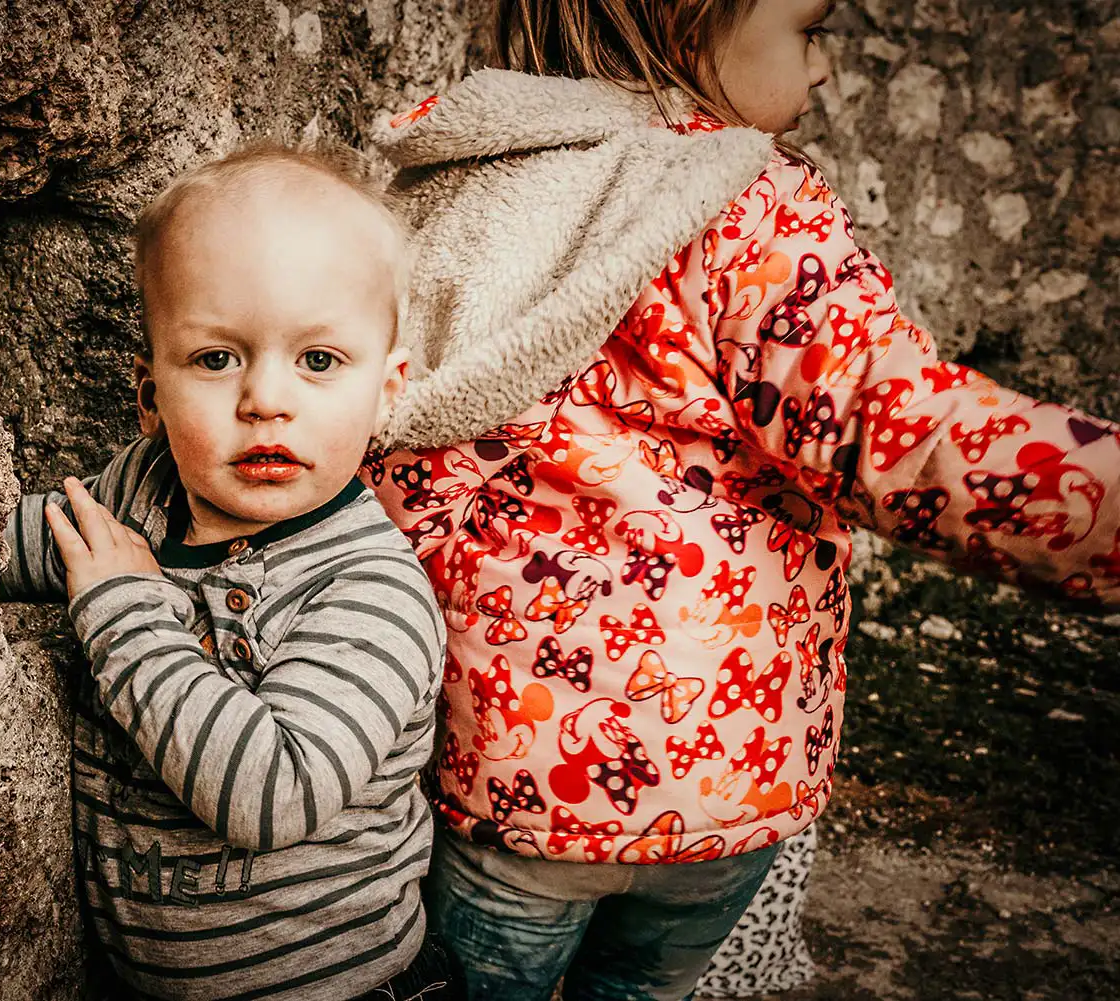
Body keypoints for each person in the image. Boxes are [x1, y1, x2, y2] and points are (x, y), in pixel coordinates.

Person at [361, 2, 1120, 999]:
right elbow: (896, 427)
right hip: (724, 776)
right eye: (809, 29)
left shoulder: (450, 192)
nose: (824, 73)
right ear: (687, 20)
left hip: (508, 781)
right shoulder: (745, 205)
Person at [0, 146, 461, 1000]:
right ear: (150, 393)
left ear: (387, 391)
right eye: (217, 359)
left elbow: (275, 796)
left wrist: (125, 610)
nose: (265, 399)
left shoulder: (371, 592)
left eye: (319, 360)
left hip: (339, 987)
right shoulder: (136, 490)